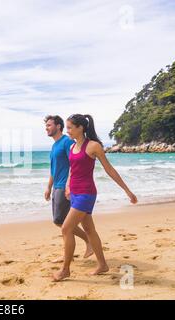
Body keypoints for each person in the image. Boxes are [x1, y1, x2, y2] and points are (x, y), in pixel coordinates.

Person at [53, 114, 138, 281]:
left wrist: (127, 190)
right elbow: (72, 170)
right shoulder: (71, 147)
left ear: (80, 128)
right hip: (75, 193)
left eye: (70, 127)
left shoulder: (93, 146)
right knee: (90, 230)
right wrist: (68, 186)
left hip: (86, 193)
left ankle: (65, 270)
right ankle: (102, 265)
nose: (67, 131)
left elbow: (109, 169)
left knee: (66, 228)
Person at [44, 115, 93, 262]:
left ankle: (85, 242)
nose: (46, 128)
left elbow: (75, 164)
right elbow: (54, 169)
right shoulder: (54, 146)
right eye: (46, 125)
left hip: (65, 187)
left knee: (60, 221)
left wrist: (69, 185)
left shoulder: (67, 142)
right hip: (56, 186)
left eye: (49, 125)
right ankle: (69, 252)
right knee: (62, 222)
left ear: (58, 126)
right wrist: (48, 187)